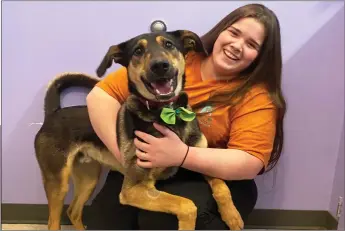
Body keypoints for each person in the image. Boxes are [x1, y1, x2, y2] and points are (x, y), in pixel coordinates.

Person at [84, 3, 286, 230]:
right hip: (151, 164)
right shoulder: (176, 60)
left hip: (211, 171)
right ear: (221, 31)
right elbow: (100, 97)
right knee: (102, 222)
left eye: (251, 44)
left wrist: (181, 154)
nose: (237, 45)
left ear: (260, 56)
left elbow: (249, 162)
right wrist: (125, 156)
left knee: (161, 221)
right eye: (234, 33)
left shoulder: (257, 95)